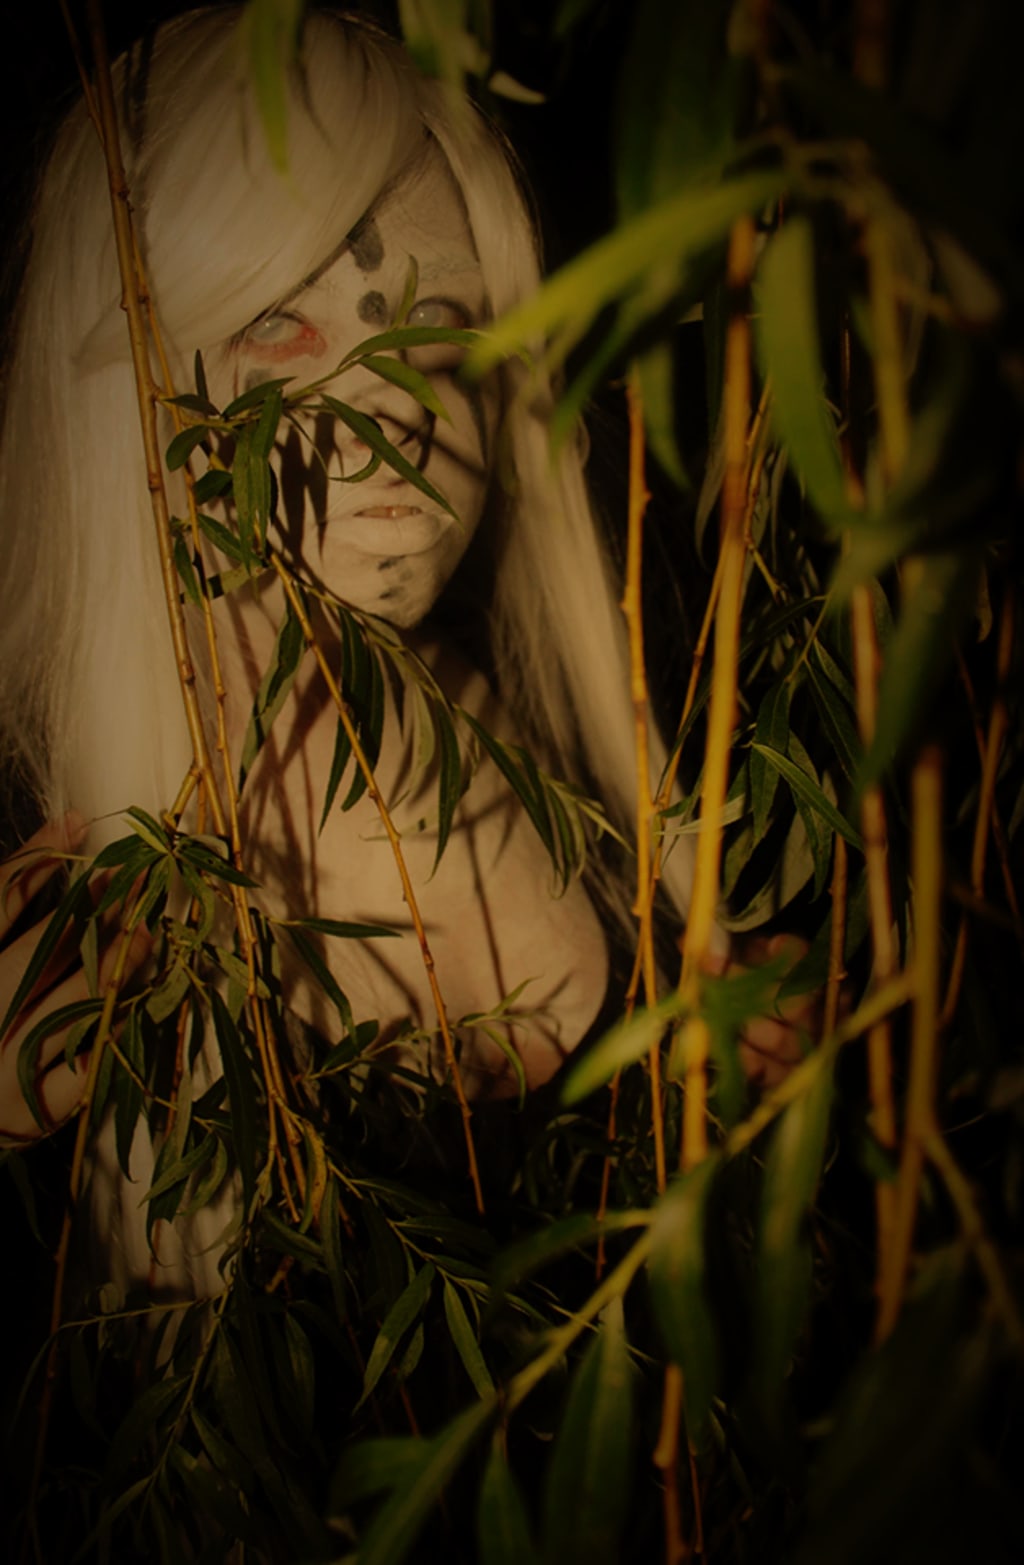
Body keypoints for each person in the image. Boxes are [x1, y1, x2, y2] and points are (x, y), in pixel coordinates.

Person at [0, 6, 801, 1297]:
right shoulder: (55, 887)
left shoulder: (560, 733)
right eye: (282, 325)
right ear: (133, 374)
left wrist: (750, 1034)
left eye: (449, 333)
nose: (404, 413)